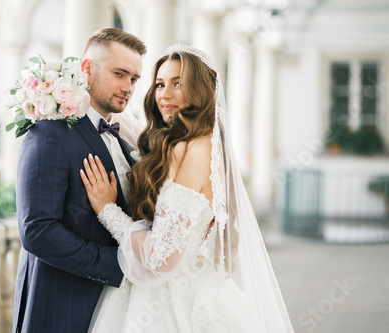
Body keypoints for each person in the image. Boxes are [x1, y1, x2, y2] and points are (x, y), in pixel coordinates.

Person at [80, 45, 294, 332]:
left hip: (169, 300)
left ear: (200, 91)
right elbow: (125, 125)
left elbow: (163, 257)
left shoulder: (196, 148)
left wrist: (107, 211)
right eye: (159, 84)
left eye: (178, 84)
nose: (164, 95)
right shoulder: (178, 141)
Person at [12, 28, 146, 333]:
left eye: (134, 79)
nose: (128, 86)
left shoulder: (124, 137)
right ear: (87, 69)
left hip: (114, 311)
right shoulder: (49, 131)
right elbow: (37, 229)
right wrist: (117, 264)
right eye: (120, 74)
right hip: (63, 306)